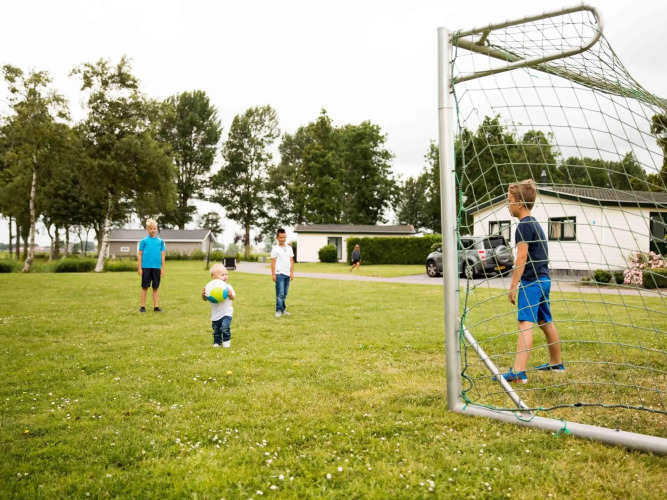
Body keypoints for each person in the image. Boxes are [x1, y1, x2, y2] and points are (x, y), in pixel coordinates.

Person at [494, 179, 564, 384]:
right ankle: (556, 363)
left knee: (525, 323)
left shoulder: (523, 226)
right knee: (545, 322)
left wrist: (513, 286)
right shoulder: (536, 224)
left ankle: (518, 372)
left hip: (531, 283)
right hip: (544, 280)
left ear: (520, 203)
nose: (508, 205)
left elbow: (521, 258)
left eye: (509, 201)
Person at [202, 264, 236, 348]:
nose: (225, 276)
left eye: (226, 274)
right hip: (216, 314)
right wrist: (203, 295)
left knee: (225, 326)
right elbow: (205, 299)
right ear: (214, 277)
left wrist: (230, 295)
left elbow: (233, 298)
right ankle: (217, 342)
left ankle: (226, 341)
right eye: (222, 275)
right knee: (216, 329)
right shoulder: (209, 288)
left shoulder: (228, 287)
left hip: (226, 313)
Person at [138, 219, 166, 313]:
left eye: (154, 228)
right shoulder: (144, 241)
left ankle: (156, 307)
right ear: (147, 229)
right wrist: (139, 268)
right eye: (150, 228)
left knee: (156, 287)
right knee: (144, 287)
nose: (152, 230)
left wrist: (163, 268)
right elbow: (140, 254)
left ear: (156, 229)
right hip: (146, 267)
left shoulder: (160, 241)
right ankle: (142, 307)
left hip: (156, 268)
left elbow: (162, 255)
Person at [271, 228, 294, 318]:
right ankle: (278, 310)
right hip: (279, 273)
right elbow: (273, 262)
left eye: (284, 237)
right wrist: (273, 274)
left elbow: (291, 260)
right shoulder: (275, 249)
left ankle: (283, 309)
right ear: (277, 238)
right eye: (280, 237)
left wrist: (291, 272)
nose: (282, 239)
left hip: (287, 274)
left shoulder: (289, 248)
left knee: (284, 293)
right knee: (280, 293)